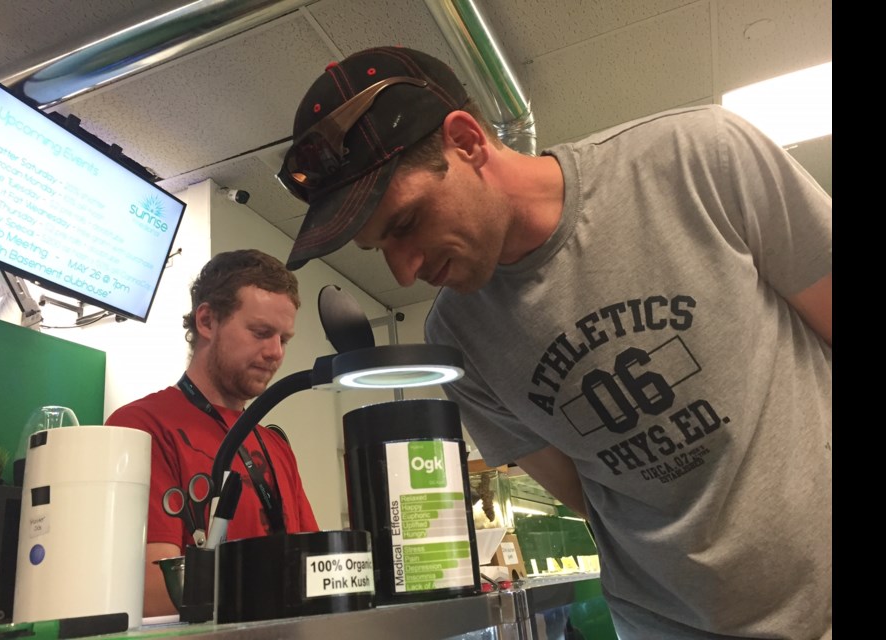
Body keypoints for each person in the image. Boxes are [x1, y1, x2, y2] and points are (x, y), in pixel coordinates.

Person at [280, 46, 831, 639]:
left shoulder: (700, 157)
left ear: (466, 142)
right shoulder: (456, 340)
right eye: (379, 248)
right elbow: (585, 492)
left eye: (407, 223)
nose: (404, 272)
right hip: (668, 626)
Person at [106, 249, 319, 617]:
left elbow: (316, 569)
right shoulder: (141, 427)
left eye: (284, 339)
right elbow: (153, 595)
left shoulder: (275, 445)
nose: (275, 353)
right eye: (261, 332)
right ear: (207, 320)